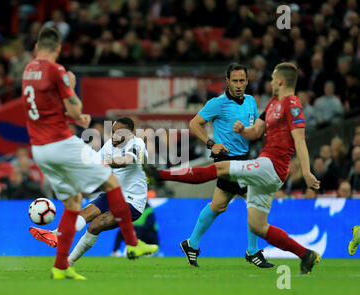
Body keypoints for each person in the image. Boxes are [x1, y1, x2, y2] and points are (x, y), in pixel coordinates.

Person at [145, 62, 321, 274]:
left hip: (247, 160)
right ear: (227, 82)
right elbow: (194, 124)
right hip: (228, 159)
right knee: (242, 200)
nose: (238, 85)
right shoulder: (217, 103)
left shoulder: (251, 102)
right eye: (234, 81)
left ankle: (191, 244)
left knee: (219, 206)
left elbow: (256, 131)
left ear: (247, 81)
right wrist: (211, 144)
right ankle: (253, 251)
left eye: (242, 81)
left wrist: (248, 132)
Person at [21, 27, 157, 280]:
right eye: (113, 129)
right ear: (58, 48)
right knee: (101, 193)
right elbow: (74, 107)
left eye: (119, 130)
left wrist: (105, 164)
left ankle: (62, 265)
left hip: (41, 150)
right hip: (61, 144)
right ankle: (132, 244)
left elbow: (127, 160)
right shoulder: (56, 71)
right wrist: (71, 88)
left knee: (79, 210)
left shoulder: (29, 71)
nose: (114, 134)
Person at [30, 117, 155, 266]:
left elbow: (126, 160)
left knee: (95, 226)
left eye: (118, 133)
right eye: (112, 132)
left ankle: (68, 262)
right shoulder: (109, 145)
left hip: (132, 202)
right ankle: (54, 234)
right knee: (84, 214)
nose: (113, 136)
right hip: (111, 194)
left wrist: (102, 162)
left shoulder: (137, 144)